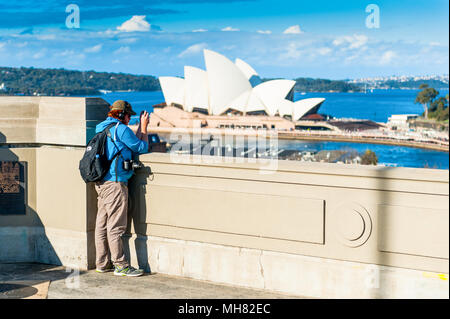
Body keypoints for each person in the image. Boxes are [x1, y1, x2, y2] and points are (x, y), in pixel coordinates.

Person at [94, 100, 149, 277]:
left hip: (101, 182)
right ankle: (120, 265)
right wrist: (145, 128)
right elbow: (142, 147)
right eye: (128, 115)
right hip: (116, 184)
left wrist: (140, 126)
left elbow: (132, 146)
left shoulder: (101, 128)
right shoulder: (121, 129)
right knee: (116, 226)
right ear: (121, 114)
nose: (129, 119)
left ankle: (102, 263)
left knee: (101, 225)